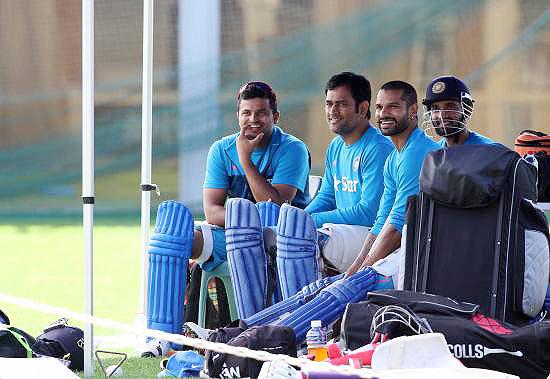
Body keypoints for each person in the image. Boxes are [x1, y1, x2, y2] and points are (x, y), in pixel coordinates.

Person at [144, 81, 311, 340]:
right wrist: (241, 225)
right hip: (232, 236)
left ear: (275, 117)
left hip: (279, 245)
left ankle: (253, 334)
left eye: (261, 113)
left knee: (257, 228)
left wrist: (245, 160)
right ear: (238, 115)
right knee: (170, 237)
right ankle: (162, 338)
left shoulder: (292, 149)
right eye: (246, 113)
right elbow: (212, 211)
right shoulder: (221, 150)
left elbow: (275, 208)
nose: (253, 120)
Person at [274, 72, 394, 298]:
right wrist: (297, 218)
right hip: (345, 232)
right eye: (329, 104)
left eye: (341, 104)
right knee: (277, 230)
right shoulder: (336, 147)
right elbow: (326, 197)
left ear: (362, 108)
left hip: (372, 236)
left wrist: (307, 221)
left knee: (305, 237)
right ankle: (274, 313)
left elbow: (369, 213)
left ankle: (305, 316)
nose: (332, 111)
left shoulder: (377, 148)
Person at [346, 80, 440, 275]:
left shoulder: (416, 152)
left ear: (413, 110)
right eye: (379, 107)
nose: (383, 114)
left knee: (348, 290)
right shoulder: (392, 159)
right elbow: (382, 220)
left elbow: (397, 225)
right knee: (333, 287)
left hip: (430, 253)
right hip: (407, 245)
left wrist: (362, 273)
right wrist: (353, 269)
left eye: (393, 106)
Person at [421, 75, 496, 147]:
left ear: (467, 110)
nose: (442, 115)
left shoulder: (491, 153)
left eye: (450, 107)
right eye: (435, 108)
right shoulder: (434, 154)